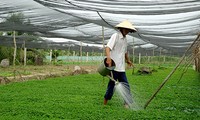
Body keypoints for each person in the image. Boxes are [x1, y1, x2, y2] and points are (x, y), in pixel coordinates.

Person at [103, 20, 137, 108]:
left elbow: (125, 52)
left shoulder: (125, 39)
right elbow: (107, 48)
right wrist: (108, 58)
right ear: (122, 28)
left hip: (121, 68)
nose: (127, 31)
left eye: (129, 30)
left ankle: (126, 103)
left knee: (126, 85)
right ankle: (105, 101)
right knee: (111, 86)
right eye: (126, 29)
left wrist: (128, 60)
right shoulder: (116, 36)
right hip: (114, 67)